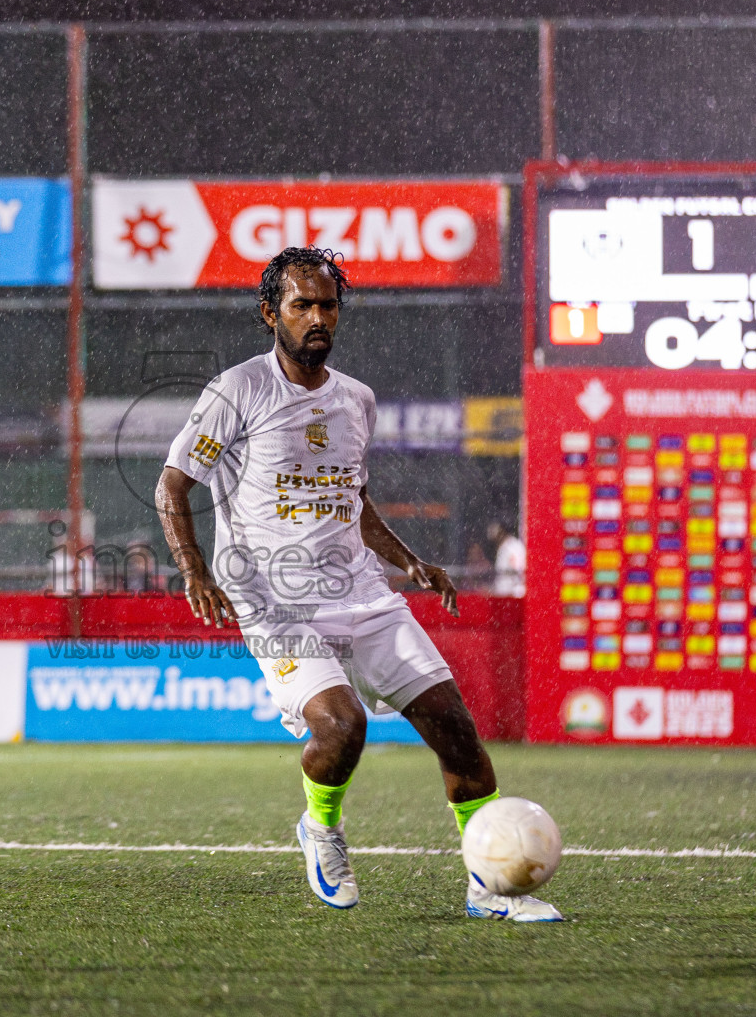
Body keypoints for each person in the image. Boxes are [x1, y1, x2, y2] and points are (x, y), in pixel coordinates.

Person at [155, 246, 560, 921]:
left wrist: (408, 561)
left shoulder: (357, 400)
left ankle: (489, 890)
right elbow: (173, 485)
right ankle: (320, 829)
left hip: (363, 593)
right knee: (342, 728)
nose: (317, 317)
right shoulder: (238, 391)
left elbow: (352, 496)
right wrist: (195, 571)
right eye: (301, 305)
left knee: (457, 733)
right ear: (270, 314)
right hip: (275, 600)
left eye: (327, 305)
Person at [488, 520, 527, 598]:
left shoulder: (514, 547)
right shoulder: (501, 548)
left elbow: (519, 572)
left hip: (513, 595)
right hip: (502, 595)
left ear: (502, 531)